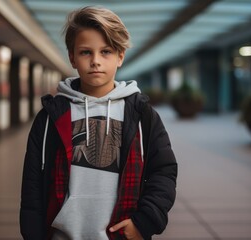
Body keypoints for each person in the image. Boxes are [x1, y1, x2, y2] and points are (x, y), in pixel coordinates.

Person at [20, 6, 177, 240]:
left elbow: (163, 171)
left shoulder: (142, 114)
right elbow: (32, 182)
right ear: (72, 57)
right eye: (86, 52)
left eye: (106, 52)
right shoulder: (50, 117)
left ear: (120, 56)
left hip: (120, 235)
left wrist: (144, 222)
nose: (95, 61)